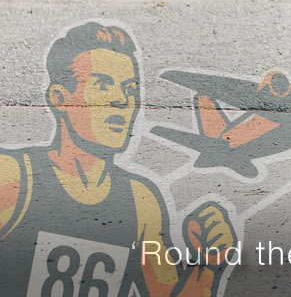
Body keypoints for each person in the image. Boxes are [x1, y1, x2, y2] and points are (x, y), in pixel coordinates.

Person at [0, 23, 237, 295]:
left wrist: (208, 264)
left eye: (130, 89)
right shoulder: (15, 176)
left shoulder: (140, 199)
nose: (122, 100)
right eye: (102, 85)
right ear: (60, 98)